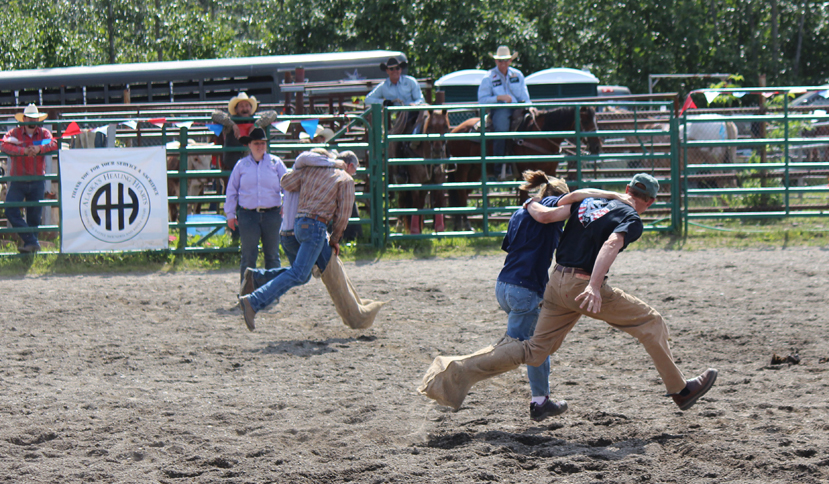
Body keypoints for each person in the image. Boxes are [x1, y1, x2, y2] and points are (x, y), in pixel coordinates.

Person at [419, 173, 718, 417]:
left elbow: (551, 213)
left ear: (626, 188)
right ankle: (681, 390)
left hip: (555, 282)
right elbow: (612, 244)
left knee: (534, 349)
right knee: (651, 322)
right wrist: (594, 285)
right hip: (581, 285)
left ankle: (455, 371)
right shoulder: (632, 218)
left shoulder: (588, 201)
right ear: (649, 202)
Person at [237, 150, 357, 331]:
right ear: (350, 166)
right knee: (299, 274)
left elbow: (285, 182)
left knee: (302, 273)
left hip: (298, 226)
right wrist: (335, 239)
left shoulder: (310, 171)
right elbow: (343, 215)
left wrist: (302, 170)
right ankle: (253, 302)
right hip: (316, 226)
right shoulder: (346, 180)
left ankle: (256, 277)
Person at [224, 128, 288, 281]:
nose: (260, 146)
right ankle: (246, 291)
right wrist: (230, 214)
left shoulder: (276, 162)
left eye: (262, 143)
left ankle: (272, 292)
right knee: (248, 256)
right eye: (256, 143)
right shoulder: (241, 165)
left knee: (272, 255)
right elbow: (231, 190)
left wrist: (287, 205)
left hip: (273, 213)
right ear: (250, 145)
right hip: (248, 214)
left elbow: (288, 185)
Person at [0, 104, 59, 252]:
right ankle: (32, 242)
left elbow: (54, 143)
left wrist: (40, 149)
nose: (32, 121)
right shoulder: (15, 133)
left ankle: (30, 245)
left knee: (34, 217)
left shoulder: (43, 133)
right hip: (19, 180)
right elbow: (3, 145)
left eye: (34, 118)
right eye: (30, 118)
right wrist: (24, 151)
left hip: (35, 179)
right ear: (24, 119)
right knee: (10, 210)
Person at [478, 46, 531, 180]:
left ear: (510, 61)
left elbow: (525, 96)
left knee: (533, 125)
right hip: (500, 109)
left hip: (519, 107)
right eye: (500, 61)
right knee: (501, 129)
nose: (503, 63)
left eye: (506, 60)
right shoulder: (488, 78)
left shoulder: (517, 75)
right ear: (496, 62)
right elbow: (482, 100)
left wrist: (530, 107)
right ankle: (499, 168)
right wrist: (499, 98)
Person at [212, 92, 278, 183]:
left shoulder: (256, 120)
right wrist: (232, 124)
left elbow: (273, 114)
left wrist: (256, 124)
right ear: (236, 109)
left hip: (255, 164)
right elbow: (214, 114)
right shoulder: (229, 121)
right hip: (233, 165)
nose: (245, 108)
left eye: (247, 105)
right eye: (241, 106)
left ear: (251, 108)